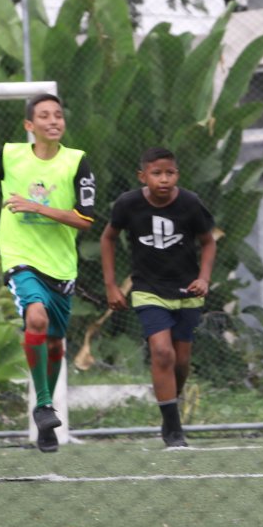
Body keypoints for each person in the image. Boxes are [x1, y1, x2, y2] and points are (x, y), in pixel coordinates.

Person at [0, 93, 96, 453]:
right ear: (29, 126)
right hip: (20, 258)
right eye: (44, 116)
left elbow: (84, 220)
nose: (53, 121)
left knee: (54, 340)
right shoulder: (9, 154)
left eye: (59, 115)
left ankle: (44, 419)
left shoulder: (77, 162)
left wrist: (36, 206)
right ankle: (45, 406)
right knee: (36, 318)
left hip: (61, 266)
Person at [100, 147, 216, 448]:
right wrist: (111, 285)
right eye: (156, 173)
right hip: (148, 290)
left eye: (170, 173)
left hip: (187, 291)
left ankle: (170, 408)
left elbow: (208, 242)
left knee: (181, 360)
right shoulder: (128, 204)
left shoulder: (190, 203)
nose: (164, 179)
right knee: (162, 353)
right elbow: (108, 237)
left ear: (177, 174)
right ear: (143, 176)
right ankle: (173, 429)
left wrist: (203, 278)